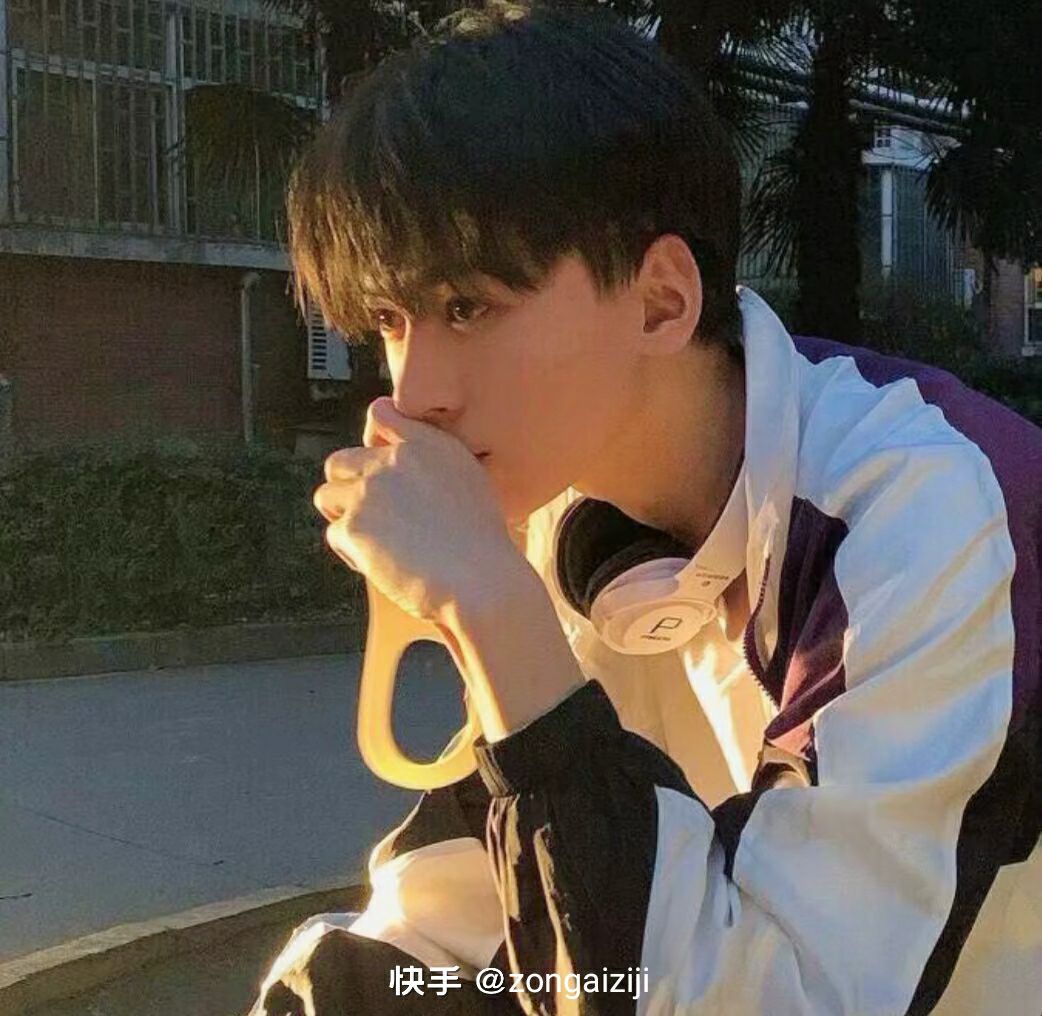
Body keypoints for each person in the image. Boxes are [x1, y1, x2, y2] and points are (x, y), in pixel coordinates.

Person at [247, 2, 1042, 1013]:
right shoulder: (559, 523)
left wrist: (497, 616)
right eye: (392, 320)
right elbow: (460, 924)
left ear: (662, 300)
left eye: (467, 306)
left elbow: (791, 995)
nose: (413, 393)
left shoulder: (920, 509)